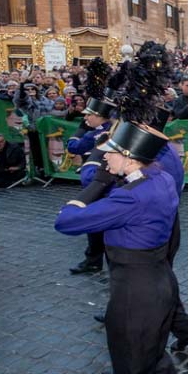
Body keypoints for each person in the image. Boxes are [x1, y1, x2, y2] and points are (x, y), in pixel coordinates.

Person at [55, 119, 188, 374]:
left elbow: (66, 221)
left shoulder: (130, 198)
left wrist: (95, 186)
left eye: (111, 153)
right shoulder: (159, 178)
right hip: (160, 281)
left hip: (134, 293)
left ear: (131, 159)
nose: (105, 159)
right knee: (156, 359)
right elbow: (154, 166)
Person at [68, 77, 117, 275]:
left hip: (97, 181)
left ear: (100, 116)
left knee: (97, 223)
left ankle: (95, 260)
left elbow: (73, 146)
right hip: (106, 181)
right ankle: (99, 260)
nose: (86, 118)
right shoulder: (114, 129)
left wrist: (82, 130)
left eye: (90, 116)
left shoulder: (96, 134)